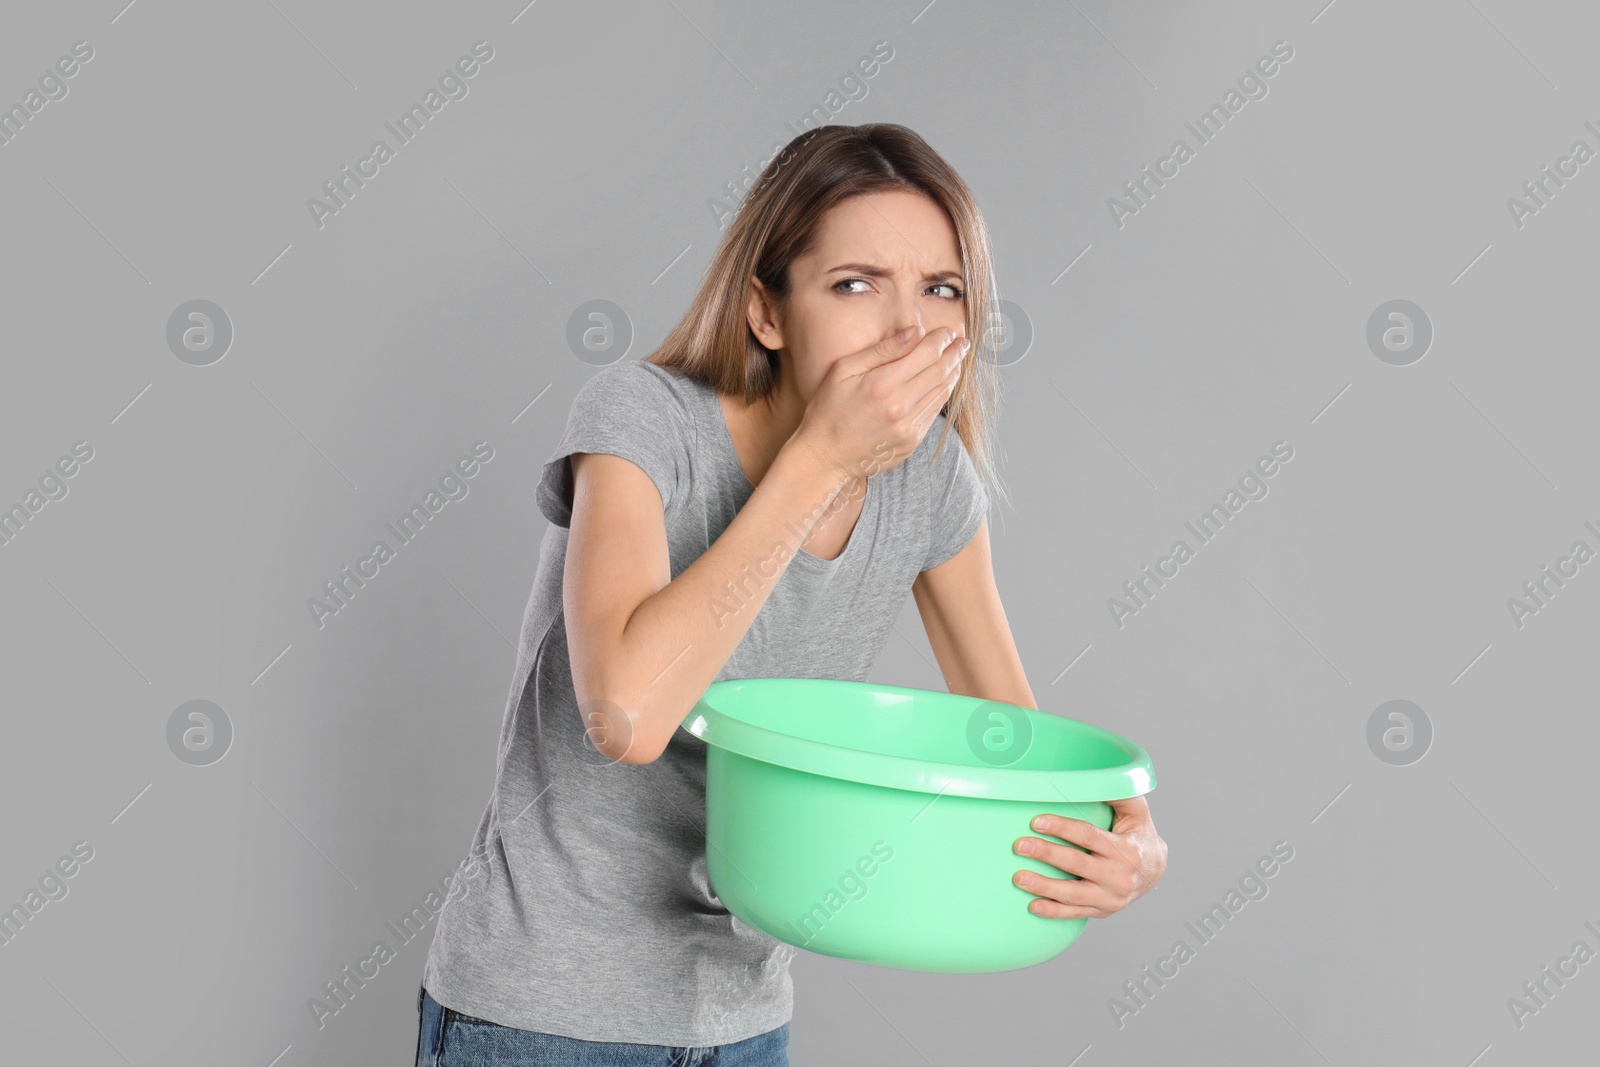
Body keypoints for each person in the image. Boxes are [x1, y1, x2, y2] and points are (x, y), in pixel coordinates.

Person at [416, 122, 1167, 1066]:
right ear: (767, 311)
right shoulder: (641, 420)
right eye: (856, 285)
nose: (909, 328)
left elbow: (1013, 749)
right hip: (544, 1014)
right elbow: (628, 716)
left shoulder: (930, 481)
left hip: (742, 1021)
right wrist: (820, 459)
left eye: (942, 290)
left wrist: (1126, 840)